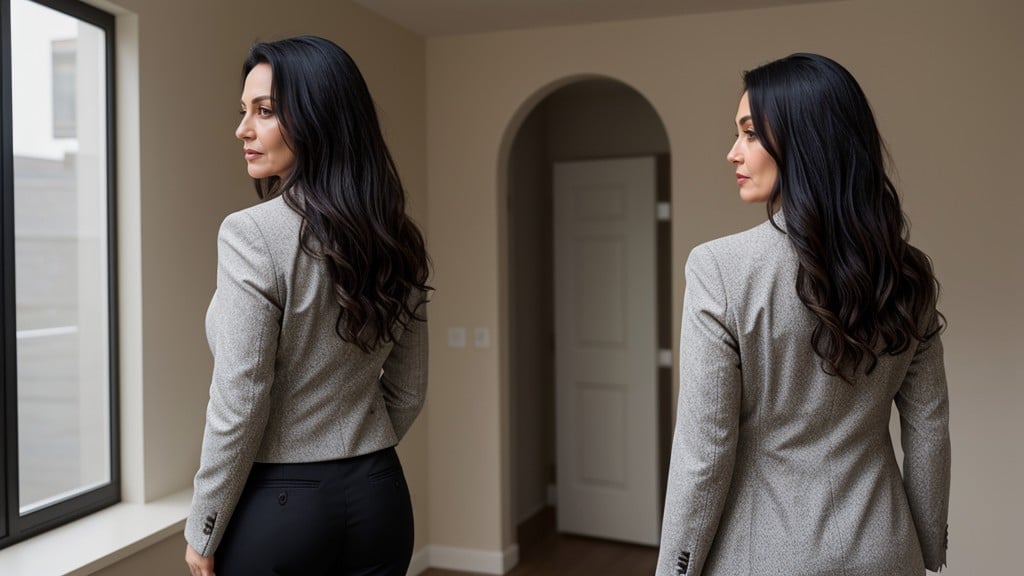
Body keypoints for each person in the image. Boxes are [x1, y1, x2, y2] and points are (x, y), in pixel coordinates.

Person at [656, 53, 950, 576]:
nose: (732, 153)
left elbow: (704, 451)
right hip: (885, 548)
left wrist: (675, 570)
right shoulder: (906, 273)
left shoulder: (718, 269)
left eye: (749, 133)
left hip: (763, 557)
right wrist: (926, 547)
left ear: (804, 140)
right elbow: (927, 429)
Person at [184, 35, 430, 576]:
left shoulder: (250, 233)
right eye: (244, 111)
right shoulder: (396, 236)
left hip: (282, 507)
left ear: (320, 118)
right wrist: (356, 451)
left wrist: (204, 525)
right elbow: (408, 390)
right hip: (381, 495)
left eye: (264, 111)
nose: (242, 129)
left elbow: (240, 399)